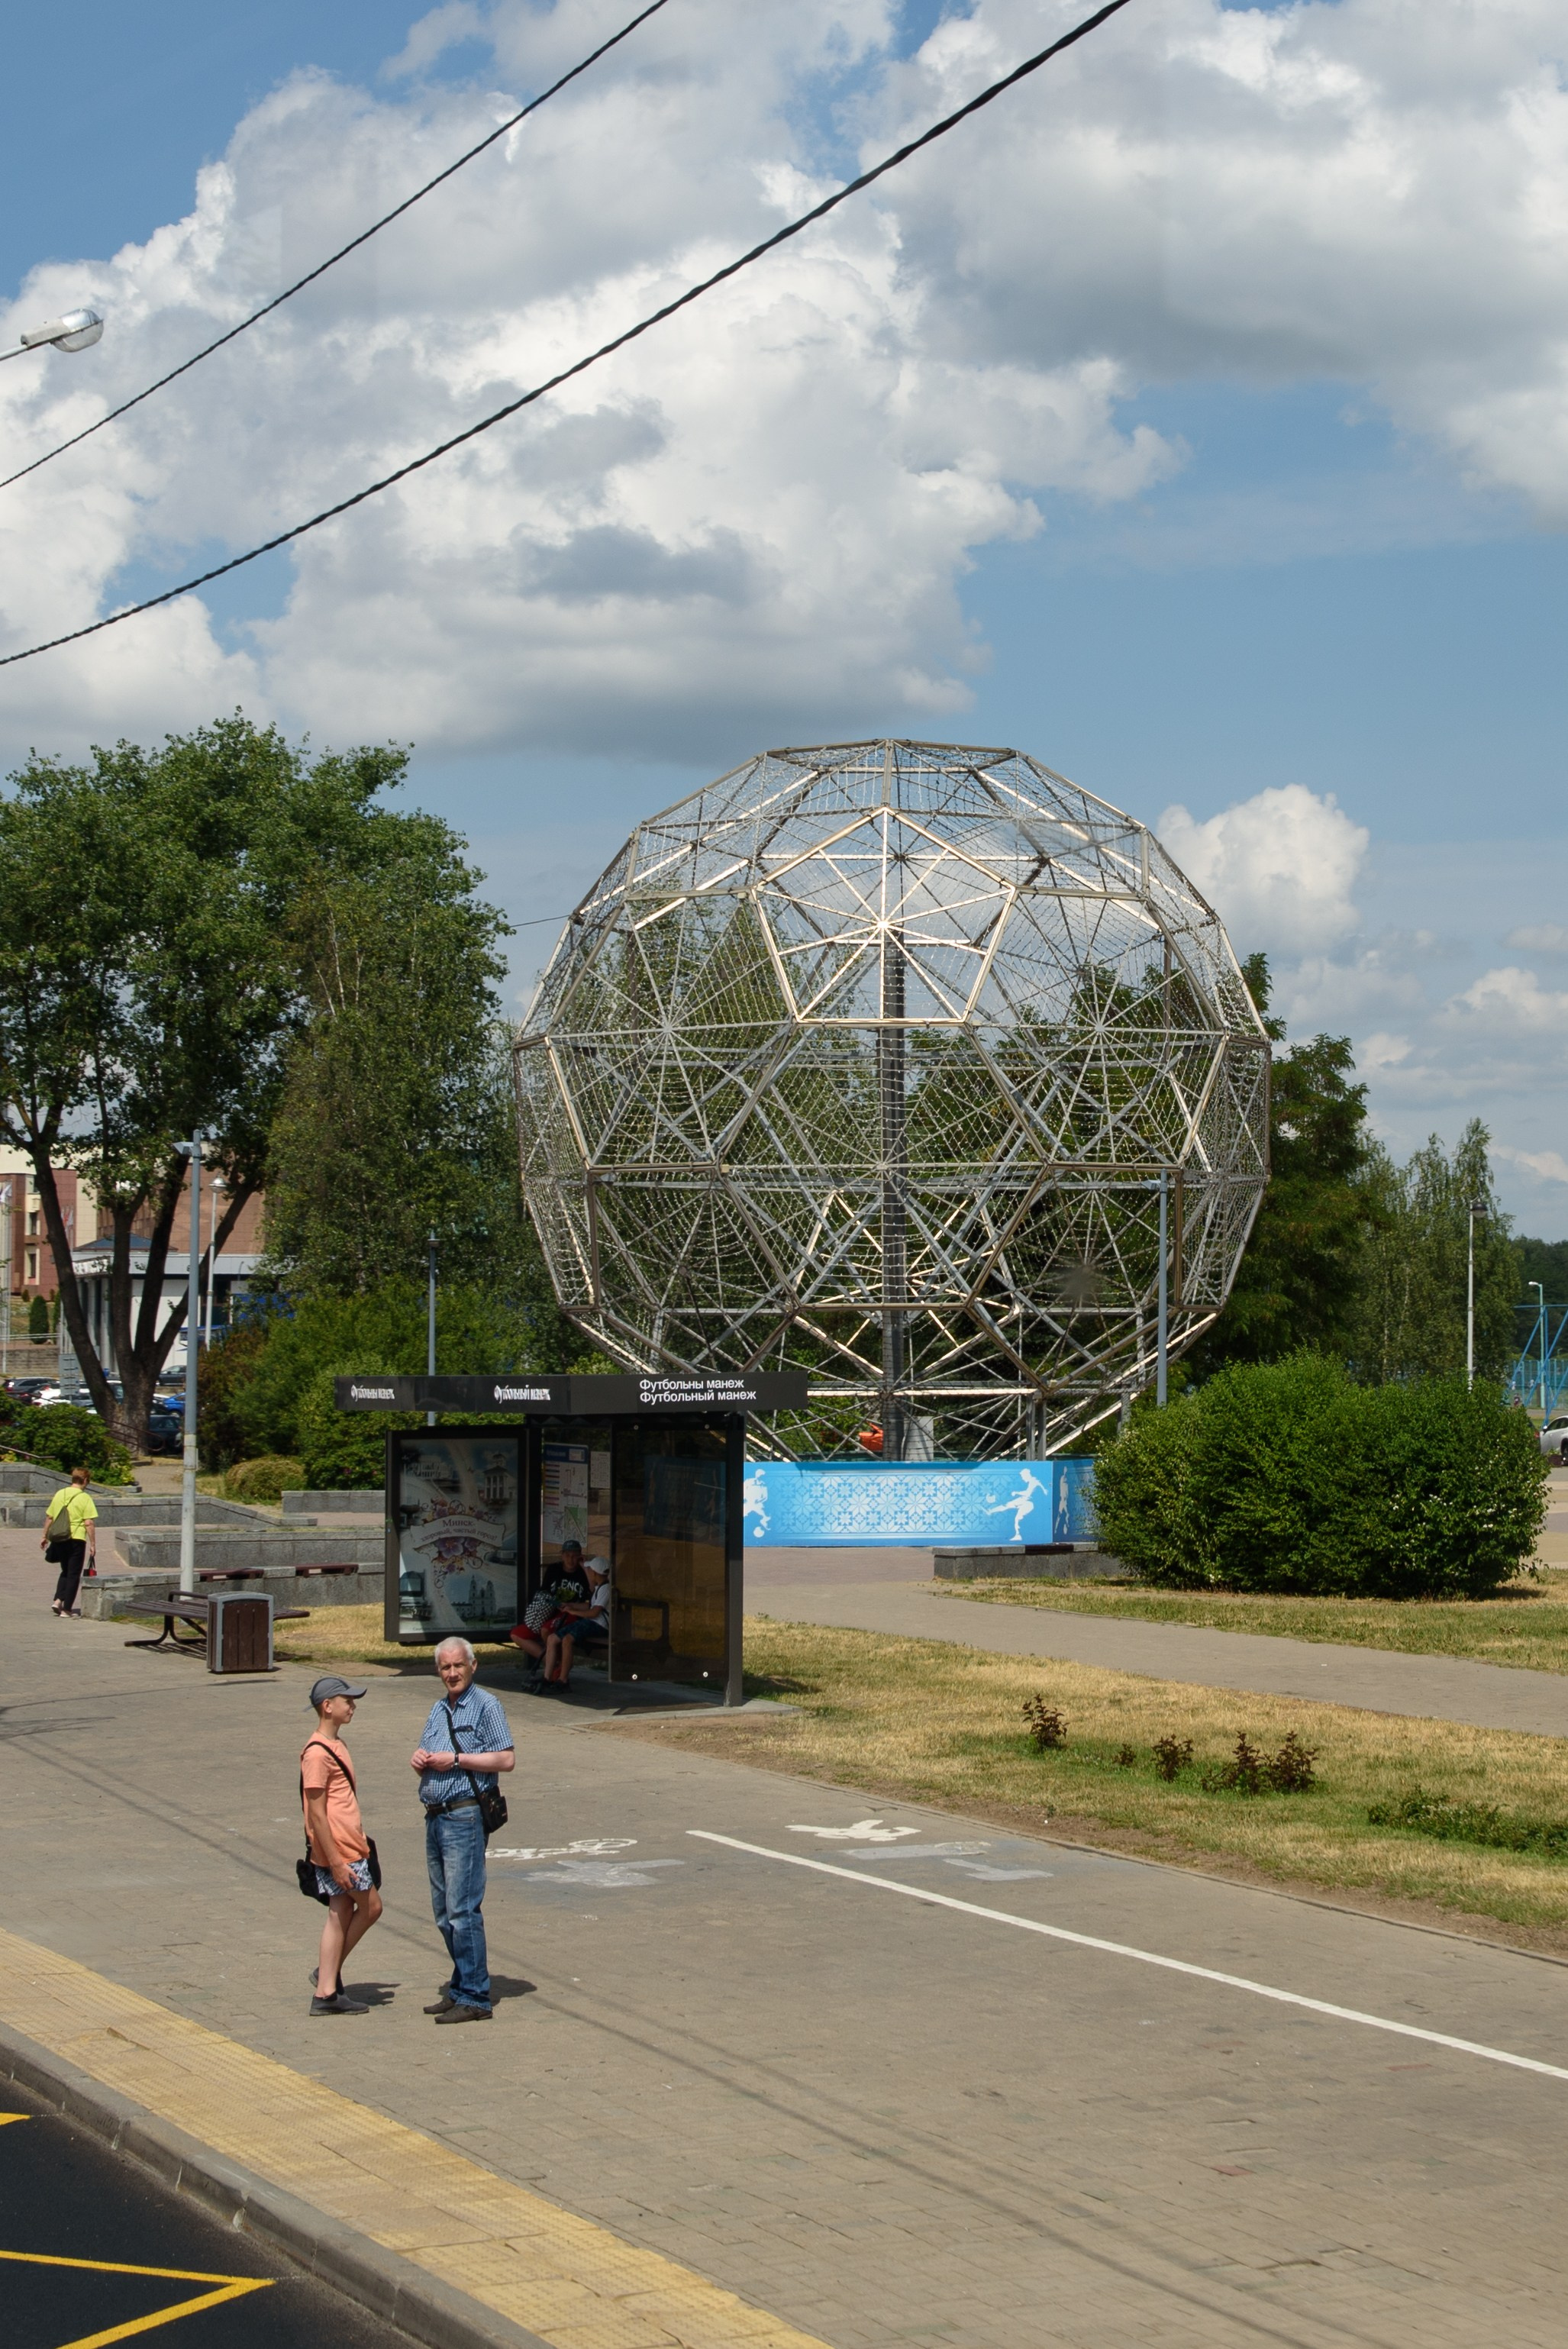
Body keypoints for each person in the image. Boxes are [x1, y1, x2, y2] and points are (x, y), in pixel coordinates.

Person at [411, 1637, 515, 2024]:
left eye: (458, 1666)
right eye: (445, 1668)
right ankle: (460, 1985)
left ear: (473, 1666)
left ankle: (476, 1996)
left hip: (465, 1817)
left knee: (462, 1910)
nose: (451, 1673)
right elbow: (425, 1751)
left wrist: (455, 1758)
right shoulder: (439, 1709)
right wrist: (419, 1759)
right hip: (435, 1816)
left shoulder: (487, 1705)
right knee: (443, 1913)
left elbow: (506, 1759)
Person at [301, 1675, 382, 2017]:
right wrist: (335, 1860)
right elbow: (316, 1813)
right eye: (346, 1700)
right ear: (327, 1707)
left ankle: (327, 1991)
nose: (353, 1705)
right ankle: (327, 1978)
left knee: (340, 1912)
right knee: (372, 1907)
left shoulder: (337, 1745)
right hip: (340, 1851)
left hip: (349, 1846)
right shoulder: (317, 1754)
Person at [508, 1539, 586, 1686]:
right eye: (567, 1555)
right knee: (517, 1633)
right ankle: (555, 1663)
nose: (571, 1559)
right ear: (562, 1555)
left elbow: (591, 1601)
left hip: (572, 1614)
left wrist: (585, 1568)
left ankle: (559, 1670)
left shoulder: (584, 1573)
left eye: (575, 1556)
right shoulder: (554, 1569)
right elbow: (544, 1592)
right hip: (550, 1611)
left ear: (580, 1556)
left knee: (547, 1631)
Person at [540, 1554, 612, 1692]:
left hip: (599, 1625)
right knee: (552, 1638)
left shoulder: (605, 1589)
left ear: (595, 1573)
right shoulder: (598, 1587)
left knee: (567, 1640)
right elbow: (589, 1606)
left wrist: (573, 1613)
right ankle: (547, 1678)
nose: (588, 1573)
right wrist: (570, 1606)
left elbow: (594, 1612)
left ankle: (563, 1680)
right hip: (591, 1622)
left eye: (589, 1570)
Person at [42, 1465, 97, 1616]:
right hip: (76, 1539)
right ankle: (67, 1610)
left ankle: (58, 1600)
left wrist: (44, 1536)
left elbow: (49, 1517)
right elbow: (88, 1523)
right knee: (73, 1574)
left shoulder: (60, 1494)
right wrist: (93, 1544)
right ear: (85, 1480)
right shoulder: (85, 1498)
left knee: (65, 1571)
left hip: (59, 1538)